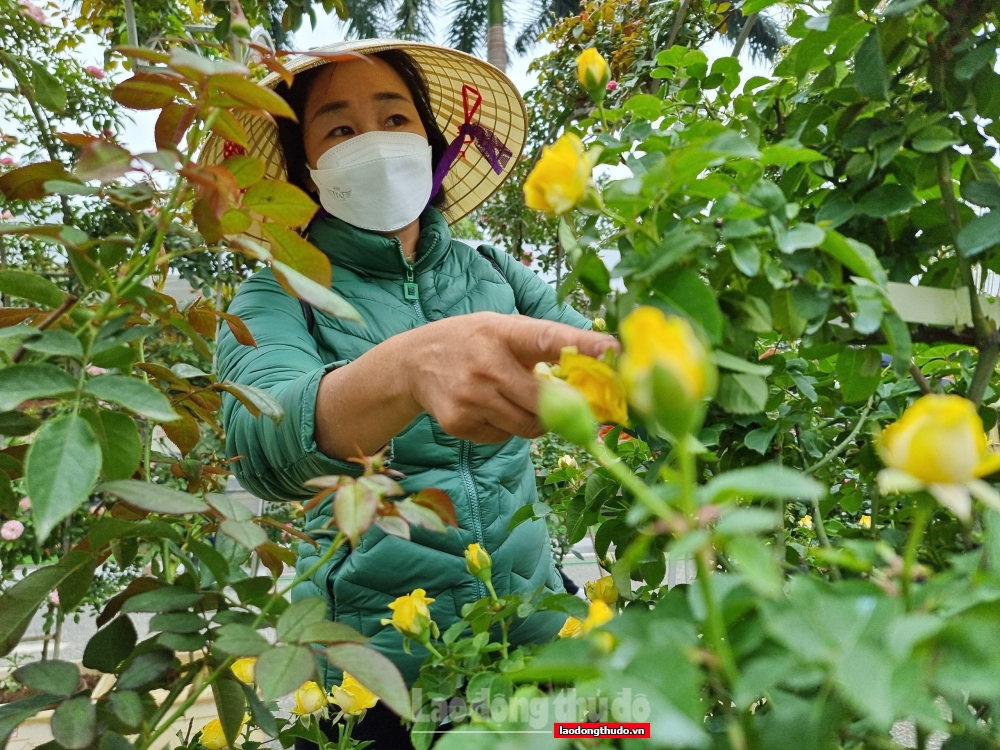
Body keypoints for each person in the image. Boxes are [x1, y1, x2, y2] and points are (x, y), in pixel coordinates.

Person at [211, 40, 616, 748]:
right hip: (376, 672)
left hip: (532, 638)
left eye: (394, 117)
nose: (373, 141)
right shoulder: (279, 294)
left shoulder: (493, 272)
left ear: (432, 140)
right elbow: (259, 446)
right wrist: (408, 369)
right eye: (339, 128)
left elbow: (604, 366)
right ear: (306, 170)